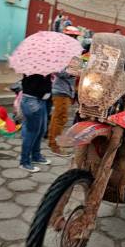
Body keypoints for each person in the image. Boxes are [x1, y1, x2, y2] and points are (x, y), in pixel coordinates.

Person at [47, 26, 81, 156]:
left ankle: (54, 140)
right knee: (59, 117)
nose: (74, 40)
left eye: (76, 37)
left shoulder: (74, 53)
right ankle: (53, 144)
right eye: (72, 37)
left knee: (62, 117)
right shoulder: (61, 53)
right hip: (61, 89)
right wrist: (73, 72)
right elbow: (59, 71)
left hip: (69, 90)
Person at [19, 74, 53, 172]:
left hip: (41, 101)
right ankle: (24, 162)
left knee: (41, 130)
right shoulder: (35, 68)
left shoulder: (44, 67)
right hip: (32, 101)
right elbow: (34, 86)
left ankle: (36, 156)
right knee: (31, 133)